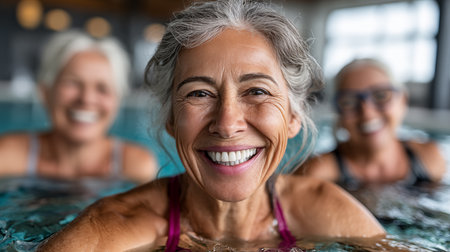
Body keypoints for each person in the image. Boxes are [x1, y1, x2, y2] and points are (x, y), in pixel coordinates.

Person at [37, 1, 385, 251]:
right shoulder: (111, 231)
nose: (227, 123)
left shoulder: (327, 211)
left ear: (293, 117)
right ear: (171, 119)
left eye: (257, 91)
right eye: (200, 93)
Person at [0, 30, 157, 183]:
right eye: (72, 83)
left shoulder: (135, 167)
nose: (86, 99)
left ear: (118, 100)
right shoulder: (8, 156)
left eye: (102, 88)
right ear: (45, 92)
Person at [297, 58, 446, 188]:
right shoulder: (318, 173)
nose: (367, 113)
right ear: (339, 114)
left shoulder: (429, 159)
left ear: (402, 101)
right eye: (349, 102)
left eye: (381, 96)